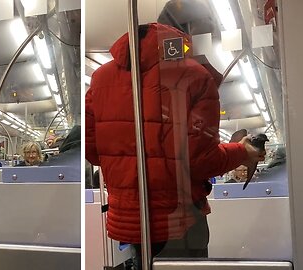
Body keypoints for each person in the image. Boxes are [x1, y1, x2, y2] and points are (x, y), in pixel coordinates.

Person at [85, 0, 265, 268]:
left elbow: (93, 152)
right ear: (189, 35)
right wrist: (243, 151)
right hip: (177, 220)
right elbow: (199, 161)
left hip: (128, 220)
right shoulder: (195, 77)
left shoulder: (100, 77)